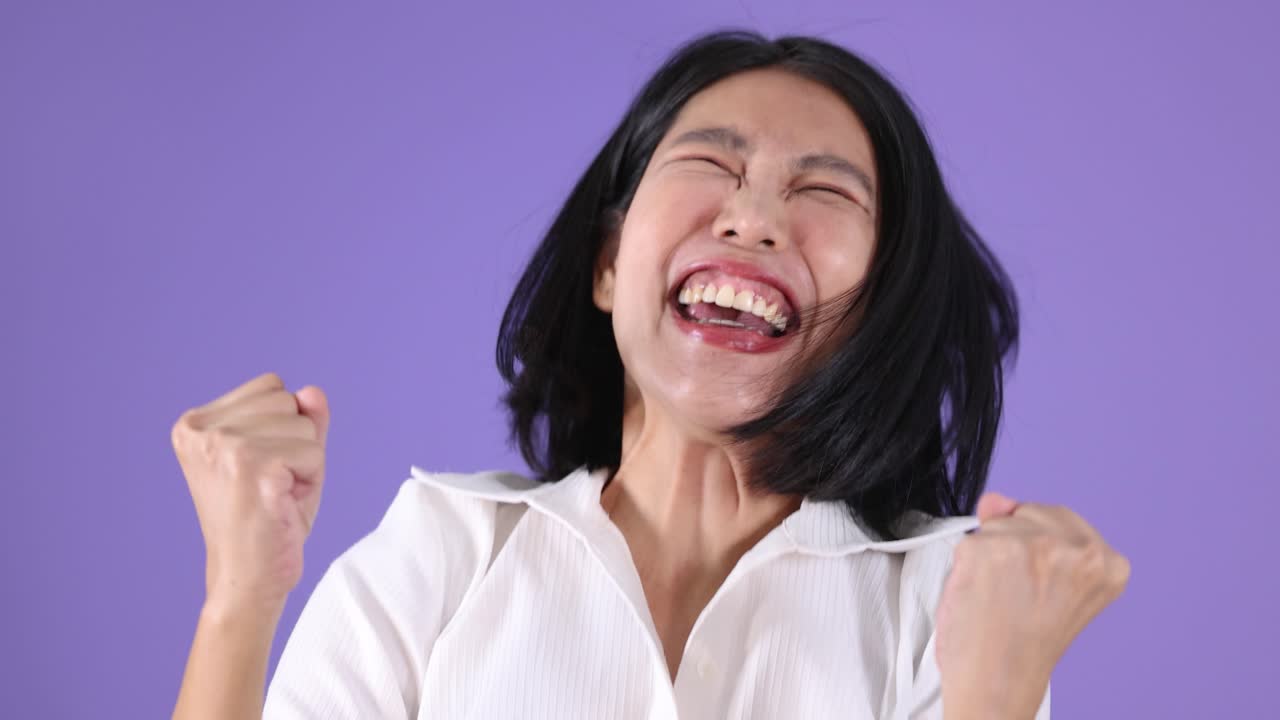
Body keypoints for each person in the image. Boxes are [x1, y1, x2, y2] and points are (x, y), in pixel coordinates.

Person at [172, 30, 1130, 719]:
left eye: (825, 189)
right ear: (607, 263)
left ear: (883, 311)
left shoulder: (948, 604)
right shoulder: (443, 552)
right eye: (711, 162)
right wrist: (241, 597)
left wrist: (997, 702)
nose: (751, 218)